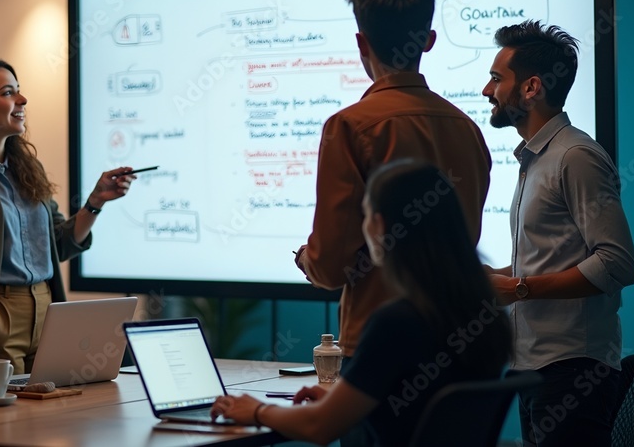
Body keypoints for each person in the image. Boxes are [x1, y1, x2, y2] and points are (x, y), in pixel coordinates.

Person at [213, 160, 512, 446]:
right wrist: (345, 401)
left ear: (380, 225)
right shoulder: (483, 315)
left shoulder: (398, 322)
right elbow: (421, 409)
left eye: (365, 216)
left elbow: (319, 427)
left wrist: (256, 410)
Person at [293, 0, 491, 386]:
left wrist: (306, 260)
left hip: (379, 345)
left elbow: (331, 265)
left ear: (362, 44)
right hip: (460, 340)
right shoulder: (466, 127)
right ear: (428, 40)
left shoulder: (349, 127)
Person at [0, 57, 138, 387]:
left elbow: (59, 243)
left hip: (48, 310)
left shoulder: (28, 169)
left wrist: (95, 202)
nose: (22, 100)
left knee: (51, 419)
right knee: (3, 426)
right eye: (8, 93)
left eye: (19, 92)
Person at [481, 20, 634, 447]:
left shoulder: (576, 156)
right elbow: (551, 255)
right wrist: (493, 278)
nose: (486, 91)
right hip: (535, 367)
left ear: (532, 87)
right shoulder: (537, 159)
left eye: (496, 78)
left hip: (574, 372)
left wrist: (518, 288)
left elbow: (617, 263)